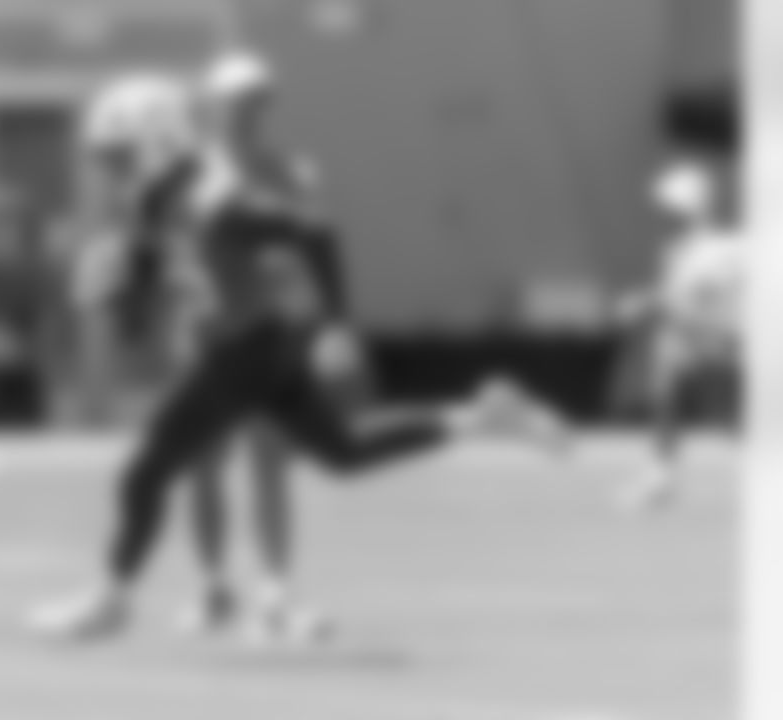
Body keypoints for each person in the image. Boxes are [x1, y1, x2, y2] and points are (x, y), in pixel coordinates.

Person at [29, 59, 568, 642]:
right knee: (344, 454)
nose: (113, 169)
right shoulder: (163, 199)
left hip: (245, 347)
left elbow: (313, 231)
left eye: (120, 155)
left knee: (146, 472)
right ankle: (481, 416)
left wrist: (336, 324)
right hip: (260, 344)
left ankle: (113, 601)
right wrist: (126, 287)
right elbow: (157, 275)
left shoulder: (209, 196)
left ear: (157, 140)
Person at [175, 50, 333, 643]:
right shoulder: (194, 174)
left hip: (270, 334)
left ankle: (275, 592)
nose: (248, 111)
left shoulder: (293, 172)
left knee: (269, 461)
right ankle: (213, 587)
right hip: (211, 333)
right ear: (213, 106)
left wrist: (317, 325)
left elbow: (306, 248)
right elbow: (188, 247)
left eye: (257, 100)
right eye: (237, 101)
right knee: (204, 463)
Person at [615, 158, 741, 512]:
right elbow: (676, 302)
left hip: (725, 345)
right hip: (700, 344)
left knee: (732, 419)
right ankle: (661, 476)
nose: (661, 216)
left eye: (668, 209)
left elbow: (690, 299)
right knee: (668, 376)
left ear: (685, 211)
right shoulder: (677, 250)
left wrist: (642, 305)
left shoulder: (715, 249)